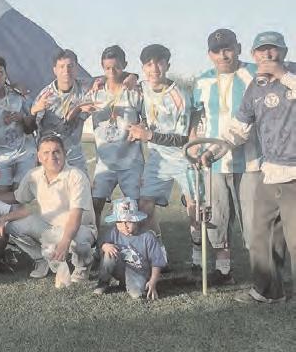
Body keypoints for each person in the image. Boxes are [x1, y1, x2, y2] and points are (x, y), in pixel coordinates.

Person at [211, 31, 295, 304]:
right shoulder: (255, 87)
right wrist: (215, 149)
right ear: (253, 55)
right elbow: (239, 128)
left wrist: (283, 74)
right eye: (261, 50)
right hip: (269, 172)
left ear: (284, 51)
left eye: (273, 49)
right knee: (261, 236)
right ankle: (268, 291)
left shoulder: (293, 74)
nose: (267, 55)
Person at [190, 28, 262, 284]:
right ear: (209, 54)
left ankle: (264, 274)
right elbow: (196, 116)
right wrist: (194, 143)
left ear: (238, 48)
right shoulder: (202, 81)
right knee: (217, 219)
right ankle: (223, 271)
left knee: (253, 222)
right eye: (217, 51)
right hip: (213, 163)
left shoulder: (255, 73)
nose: (223, 55)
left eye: (228, 49)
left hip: (251, 162)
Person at [127, 44, 197, 258]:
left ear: (167, 65)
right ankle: (158, 253)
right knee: (144, 206)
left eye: (159, 63)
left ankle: (197, 256)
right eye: (149, 64)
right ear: (143, 67)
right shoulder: (142, 88)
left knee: (195, 208)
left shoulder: (179, 96)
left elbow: (183, 139)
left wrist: (149, 135)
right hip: (157, 161)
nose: (154, 69)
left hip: (183, 159)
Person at [6, 135, 97, 282]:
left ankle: (82, 266)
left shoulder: (76, 176)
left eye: (56, 152)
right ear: (39, 157)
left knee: (79, 242)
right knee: (13, 227)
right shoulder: (33, 175)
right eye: (46, 153)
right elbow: (17, 197)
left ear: (64, 153)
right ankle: (41, 259)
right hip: (48, 226)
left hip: (80, 227)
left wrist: (65, 242)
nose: (52, 157)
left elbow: (75, 216)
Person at [86, 45, 145, 225]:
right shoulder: (95, 93)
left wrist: (141, 127)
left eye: (117, 67)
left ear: (124, 65)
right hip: (105, 162)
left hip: (131, 162)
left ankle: (140, 240)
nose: (112, 72)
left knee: (135, 207)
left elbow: (148, 119)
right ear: (102, 67)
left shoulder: (134, 92)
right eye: (107, 68)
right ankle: (95, 239)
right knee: (95, 204)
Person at [0, 56, 36, 204]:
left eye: (0, 73)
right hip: (1, 156)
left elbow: (32, 127)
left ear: (5, 75)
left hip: (25, 153)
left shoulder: (19, 97)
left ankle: (16, 218)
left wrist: (22, 118)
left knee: (20, 196)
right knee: (0, 200)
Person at [30, 50, 94, 174]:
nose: (66, 71)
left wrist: (131, 77)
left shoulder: (85, 87)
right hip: (51, 152)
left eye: (70, 66)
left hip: (73, 151)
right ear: (55, 70)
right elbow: (31, 127)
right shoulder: (46, 95)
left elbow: (110, 77)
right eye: (61, 67)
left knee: (83, 183)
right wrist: (35, 109)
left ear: (76, 68)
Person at [93, 198, 166, 300]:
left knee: (137, 294)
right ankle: (103, 282)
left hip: (138, 271)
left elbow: (157, 262)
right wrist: (105, 246)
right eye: (119, 222)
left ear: (136, 220)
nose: (124, 226)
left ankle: (129, 284)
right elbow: (100, 244)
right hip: (119, 267)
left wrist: (153, 281)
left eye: (128, 222)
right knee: (109, 253)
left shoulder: (148, 237)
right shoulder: (113, 232)